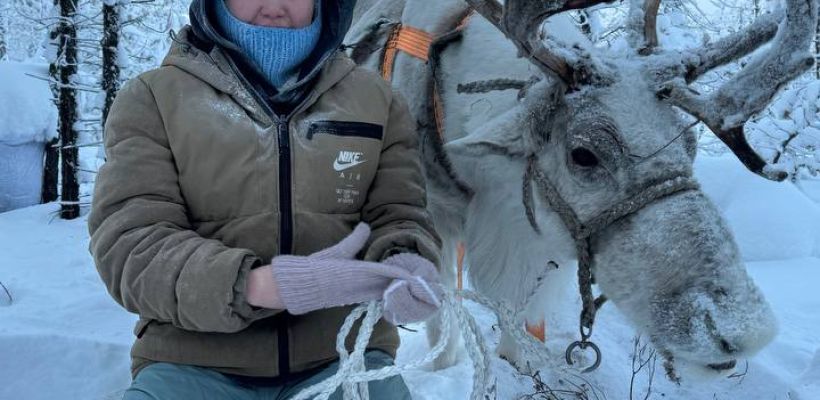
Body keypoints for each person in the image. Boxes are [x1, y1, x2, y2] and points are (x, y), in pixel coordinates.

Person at [87, 0, 444, 398]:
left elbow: (400, 214)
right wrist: (253, 286)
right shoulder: (153, 99)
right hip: (192, 365)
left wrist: (406, 260)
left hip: (344, 361)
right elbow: (132, 246)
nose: (274, 6)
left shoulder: (377, 101)